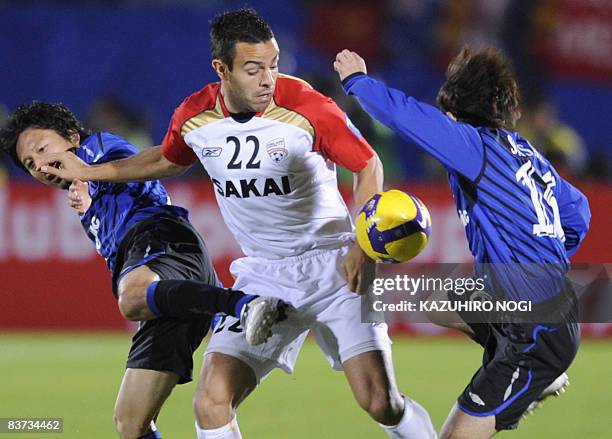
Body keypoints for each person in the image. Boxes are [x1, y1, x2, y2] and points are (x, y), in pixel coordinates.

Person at [38, 8, 437, 439]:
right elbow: (165, 160)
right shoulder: (195, 115)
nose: (268, 79)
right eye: (253, 69)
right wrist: (88, 171)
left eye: (274, 65)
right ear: (221, 69)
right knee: (211, 402)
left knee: (381, 403)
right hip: (264, 273)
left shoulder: (306, 105)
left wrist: (362, 246)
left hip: (336, 265)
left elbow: (368, 165)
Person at [333, 47, 591, 438]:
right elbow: (579, 214)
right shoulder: (528, 156)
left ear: (456, 117)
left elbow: (408, 118)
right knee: (433, 300)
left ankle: (534, 370)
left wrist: (358, 81)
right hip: (534, 303)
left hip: (535, 329)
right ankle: (532, 369)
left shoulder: (475, 146)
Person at [0, 101, 287, 439]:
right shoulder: (82, 193)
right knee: (130, 422)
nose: (40, 166)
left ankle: (241, 305)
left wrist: (84, 173)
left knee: (131, 297)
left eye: (43, 149)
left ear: (73, 138)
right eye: (30, 164)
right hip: (166, 295)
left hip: (165, 241)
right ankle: (223, 306)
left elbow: (121, 161)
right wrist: (85, 191)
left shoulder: (101, 147)